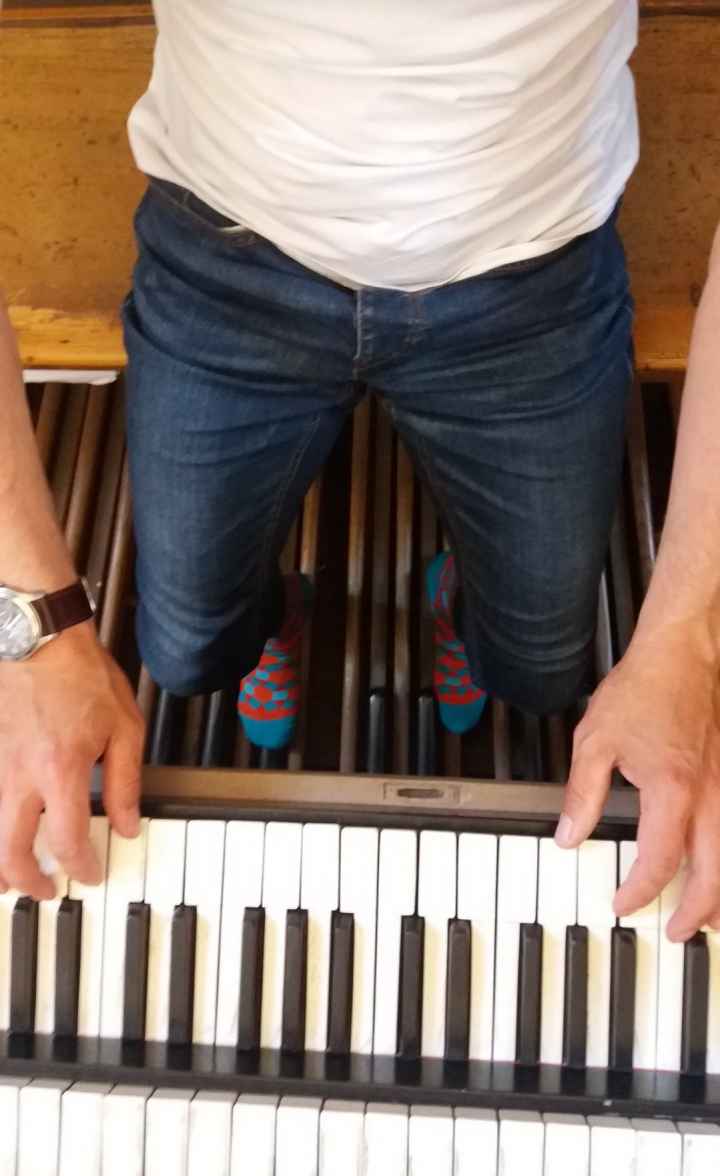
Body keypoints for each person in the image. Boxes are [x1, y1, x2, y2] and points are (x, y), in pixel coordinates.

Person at [0, 2, 718, 941]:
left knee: (540, 672)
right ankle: (278, 613)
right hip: (226, 258)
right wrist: (31, 626)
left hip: (534, 272)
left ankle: (455, 598)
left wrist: (692, 638)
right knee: (185, 652)